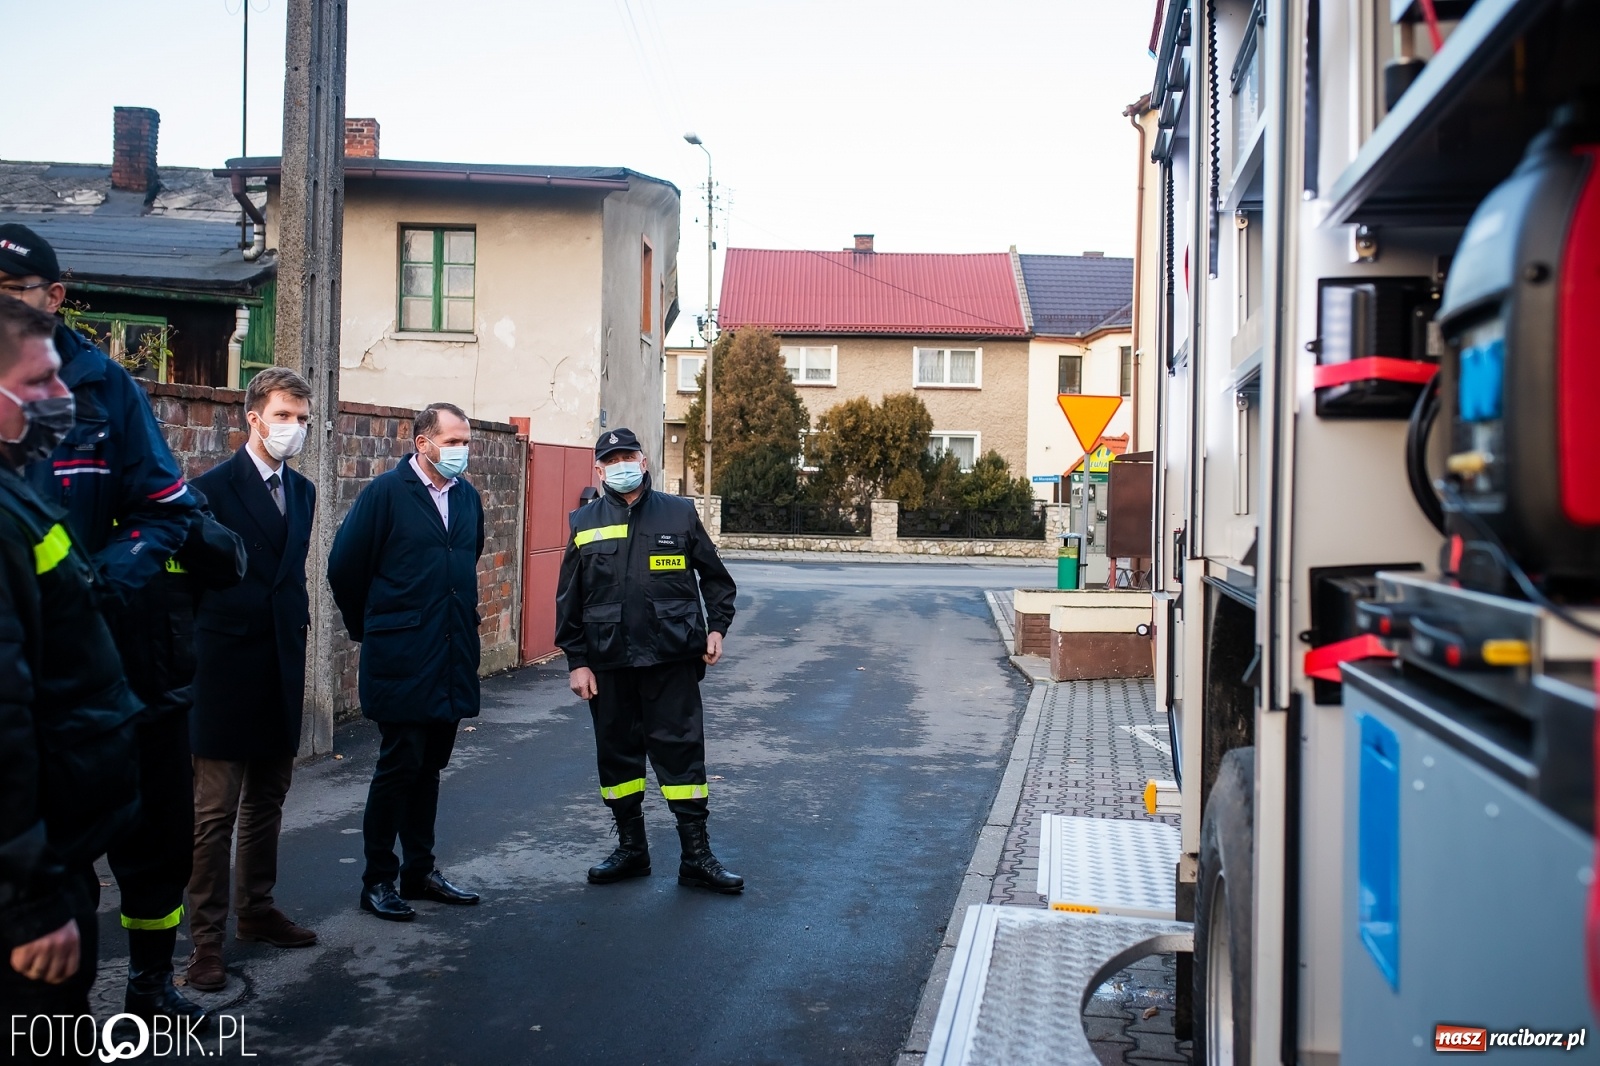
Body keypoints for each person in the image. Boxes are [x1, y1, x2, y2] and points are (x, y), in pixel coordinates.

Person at [0, 223, 210, 1024]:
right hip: (33, 670)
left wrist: (95, 588)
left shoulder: (100, 390)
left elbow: (166, 508)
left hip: (119, 663)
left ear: (55, 298)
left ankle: (152, 985)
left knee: (152, 836)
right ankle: (58, 1004)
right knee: (50, 844)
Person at [0, 297, 141, 1039]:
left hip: (61, 849)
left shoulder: (15, 496)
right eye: (39, 382)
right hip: (32, 888)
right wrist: (30, 902)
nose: (64, 399)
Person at [554, 427, 743, 893]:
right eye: (611, 459)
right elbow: (569, 601)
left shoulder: (678, 514)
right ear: (599, 469)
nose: (621, 465)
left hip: (671, 660)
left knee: (681, 757)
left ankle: (696, 857)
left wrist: (716, 627)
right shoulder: (583, 521)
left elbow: (717, 580)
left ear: (643, 461)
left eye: (628, 456)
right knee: (617, 759)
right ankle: (631, 850)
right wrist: (577, 661)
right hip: (609, 664)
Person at [183, 368, 319, 992]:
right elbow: (187, 589)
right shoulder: (207, 491)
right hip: (224, 669)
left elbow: (288, 578)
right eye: (284, 416)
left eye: (302, 418)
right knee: (213, 813)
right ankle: (204, 943)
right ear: (254, 419)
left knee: (268, 799)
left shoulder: (307, 492)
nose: (294, 428)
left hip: (281, 663)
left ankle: (257, 911)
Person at [328, 402, 484, 921]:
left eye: (466, 441)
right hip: (400, 656)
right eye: (454, 440)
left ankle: (420, 870)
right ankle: (378, 879)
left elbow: (465, 563)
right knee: (399, 766)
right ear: (423, 442)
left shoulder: (468, 499)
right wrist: (370, 629)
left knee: (430, 768)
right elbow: (345, 569)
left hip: (451, 656)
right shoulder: (385, 495)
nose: (462, 450)